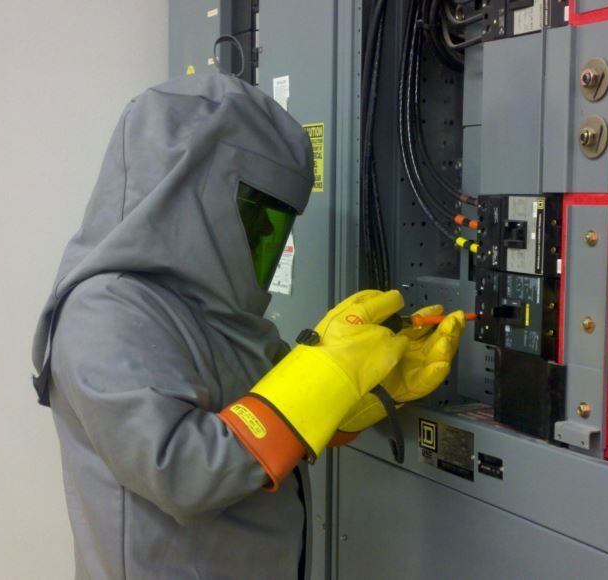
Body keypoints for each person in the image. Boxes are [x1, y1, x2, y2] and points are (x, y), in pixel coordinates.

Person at [31, 74, 465, 579]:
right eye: (254, 211)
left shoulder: (212, 309)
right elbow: (181, 470)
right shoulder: (104, 310)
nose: (265, 236)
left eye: (277, 220)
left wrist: (362, 395)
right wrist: (326, 374)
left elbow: (266, 426)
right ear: (186, 193)